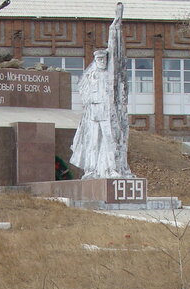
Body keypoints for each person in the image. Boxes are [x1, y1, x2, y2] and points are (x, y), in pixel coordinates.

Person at [69, 3, 134, 180]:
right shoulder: (89, 75)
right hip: (93, 112)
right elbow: (83, 92)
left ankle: (112, 168)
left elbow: (115, 50)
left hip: (108, 111)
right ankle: (92, 169)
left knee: (111, 139)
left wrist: (116, 24)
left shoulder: (110, 73)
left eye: (103, 59)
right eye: (98, 59)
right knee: (93, 141)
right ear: (95, 60)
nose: (101, 61)